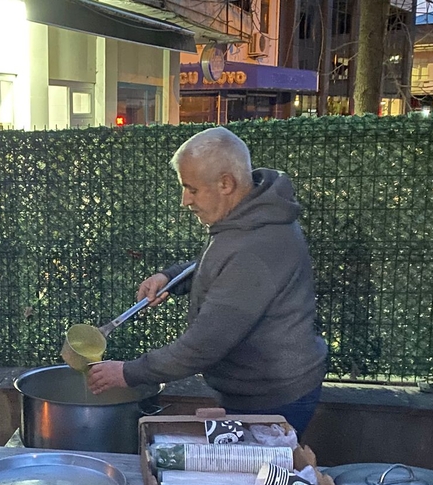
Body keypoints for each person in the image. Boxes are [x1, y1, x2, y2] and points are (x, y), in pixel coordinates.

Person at [88, 127, 327, 434]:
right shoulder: (251, 216)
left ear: (226, 183)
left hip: (273, 399)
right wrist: (171, 277)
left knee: (255, 481)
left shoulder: (256, 247)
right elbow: (220, 265)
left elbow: (203, 346)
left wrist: (128, 373)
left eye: (192, 189)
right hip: (257, 388)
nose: (184, 201)